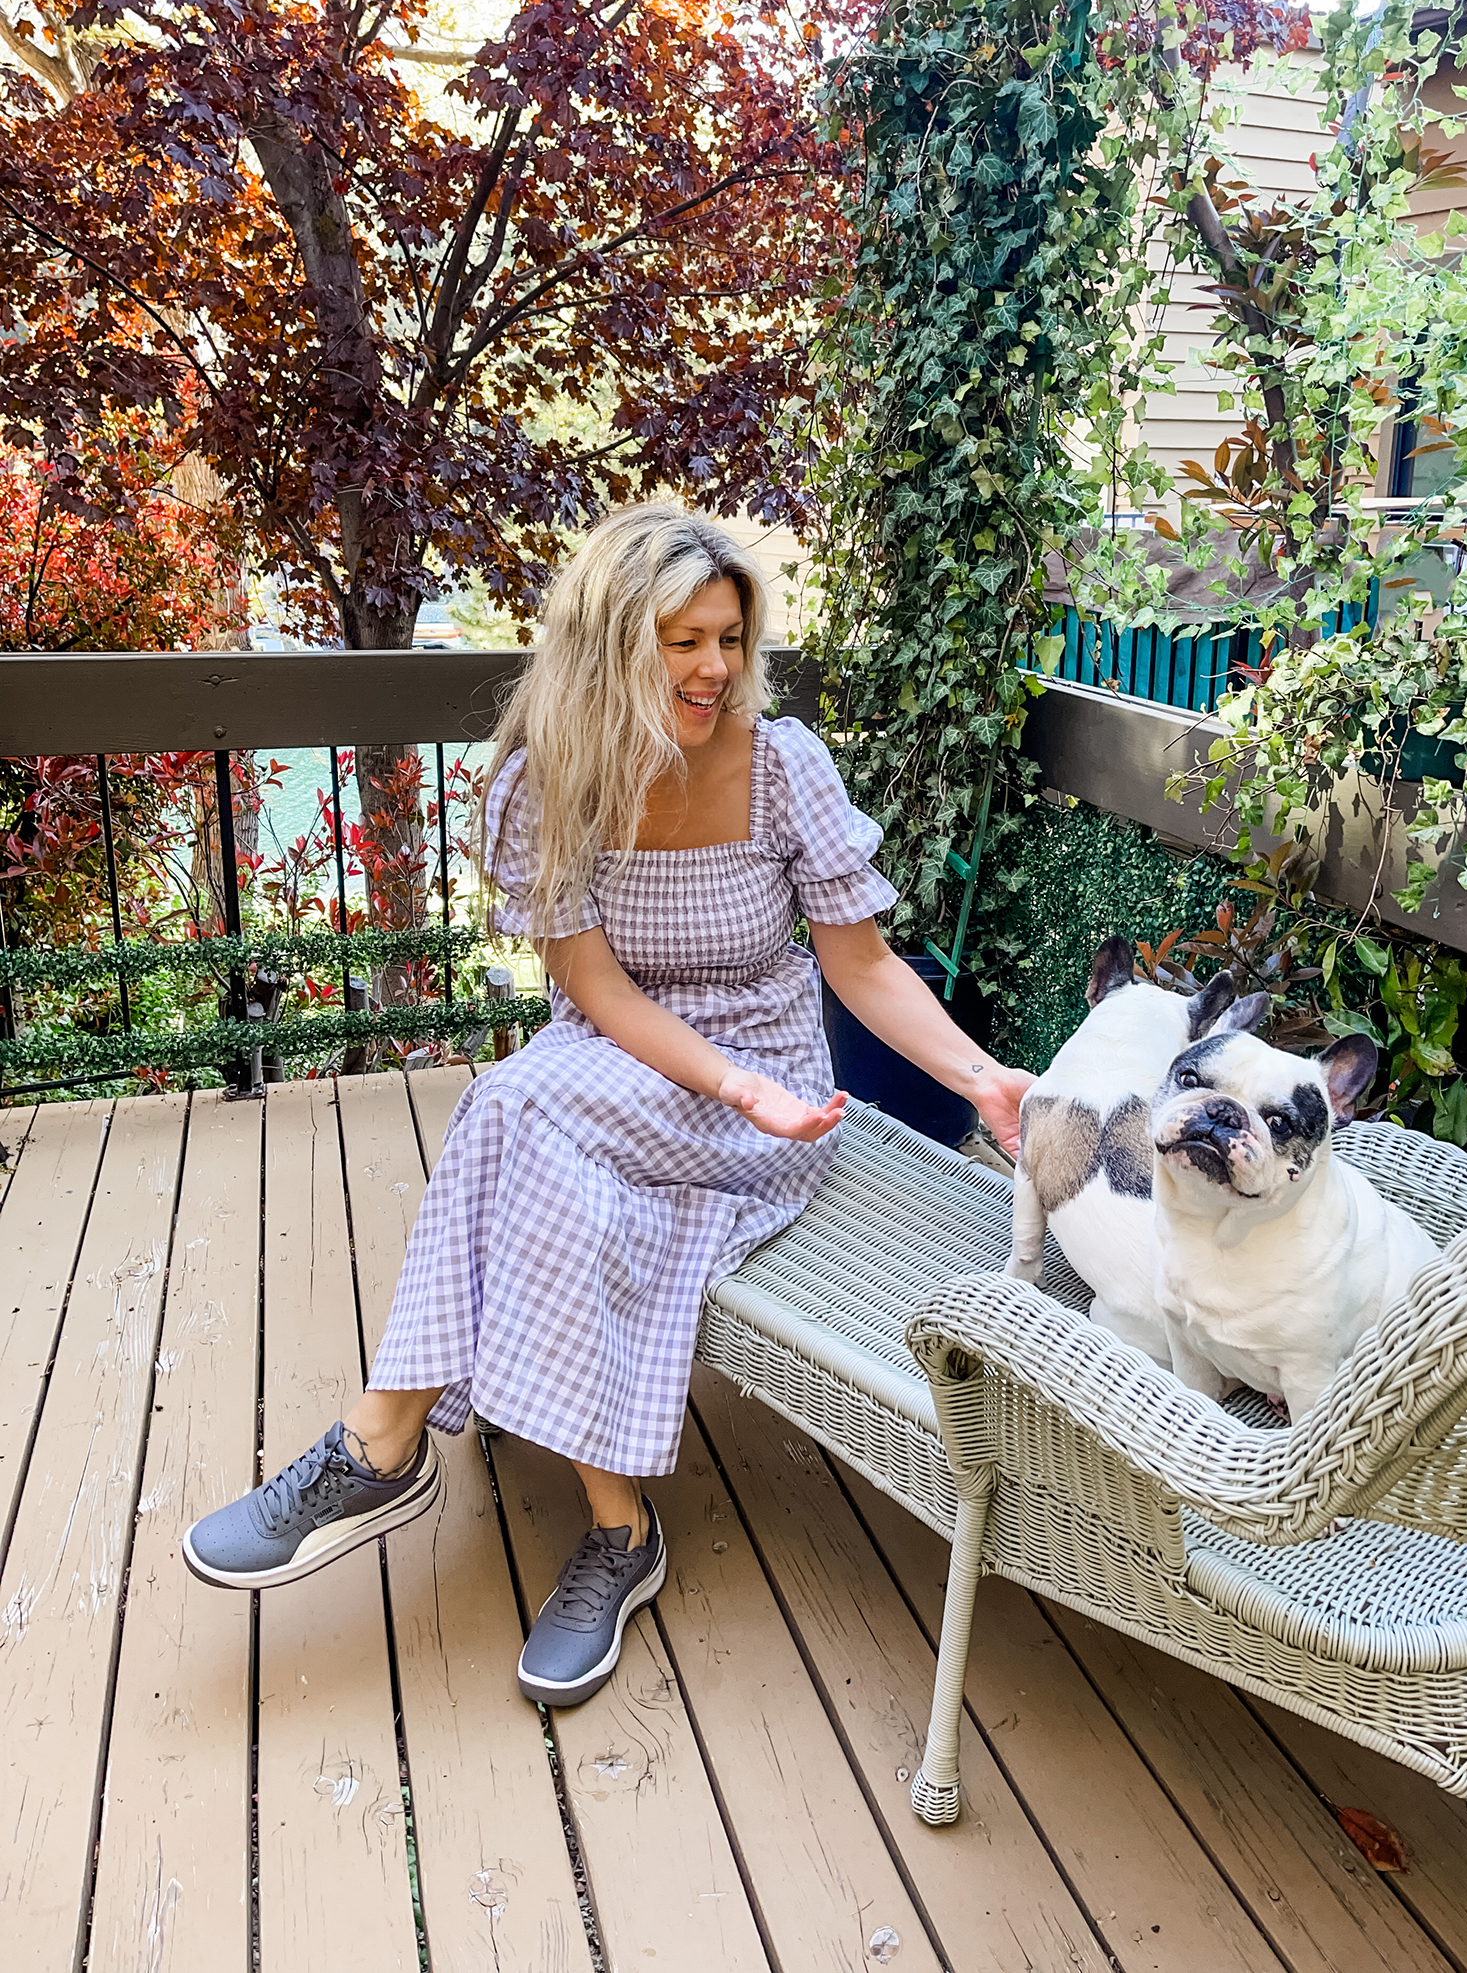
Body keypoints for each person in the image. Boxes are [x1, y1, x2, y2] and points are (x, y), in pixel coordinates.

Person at [183, 507, 1033, 1706]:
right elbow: (593, 989)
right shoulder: (549, 784)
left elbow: (862, 966)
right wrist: (713, 1079)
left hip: (766, 1093)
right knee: (537, 1138)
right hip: (631, 1060)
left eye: (729, 637)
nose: (714, 670)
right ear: (606, 646)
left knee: (512, 1110)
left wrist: (978, 1078)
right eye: (680, 641)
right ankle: (618, 1531)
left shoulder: (782, 765)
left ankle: (381, 1446)